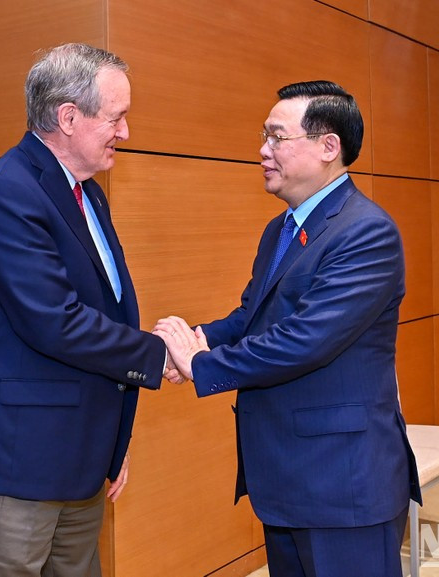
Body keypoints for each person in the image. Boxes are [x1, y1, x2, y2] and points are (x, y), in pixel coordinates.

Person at [155, 80, 422, 577]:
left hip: (343, 484)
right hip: (287, 477)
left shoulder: (366, 231)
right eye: (264, 136)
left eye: (278, 137)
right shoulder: (281, 229)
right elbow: (252, 318)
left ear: (328, 147)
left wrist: (200, 365)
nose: (263, 150)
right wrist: (196, 339)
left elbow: (306, 340)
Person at [0, 43, 180, 577]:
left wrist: (114, 443)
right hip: (14, 466)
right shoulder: (9, 189)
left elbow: (109, 312)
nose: (125, 132)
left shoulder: (87, 194)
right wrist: (159, 353)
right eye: (116, 118)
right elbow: (54, 320)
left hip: (80, 462)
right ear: (69, 117)